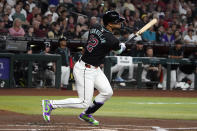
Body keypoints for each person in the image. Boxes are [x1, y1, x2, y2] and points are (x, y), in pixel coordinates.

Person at [42, 10, 125, 125]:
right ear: (110, 24)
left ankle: (86, 114)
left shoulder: (96, 26)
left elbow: (111, 43)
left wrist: (119, 45)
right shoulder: (112, 40)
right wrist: (122, 46)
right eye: (117, 21)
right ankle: (50, 104)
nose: (120, 23)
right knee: (84, 102)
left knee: (107, 92)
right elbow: (119, 50)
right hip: (85, 70)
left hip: (94, 68)